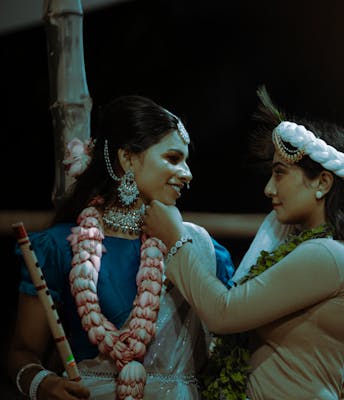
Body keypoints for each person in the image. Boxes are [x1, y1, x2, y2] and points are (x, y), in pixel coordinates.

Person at [142, 88, 344, 400]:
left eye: (280, 174)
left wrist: (174, 239)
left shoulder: (328, 255)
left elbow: (224, 313)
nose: (268, 188)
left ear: (322, 182)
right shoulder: (311, 249)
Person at [7, 95, 235, 400]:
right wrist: (42, 384)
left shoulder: (202, 249)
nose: (187, 173)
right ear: (127, 159)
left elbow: (228, 348)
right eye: (172, 158)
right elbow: (22, 352)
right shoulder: (59, 247)